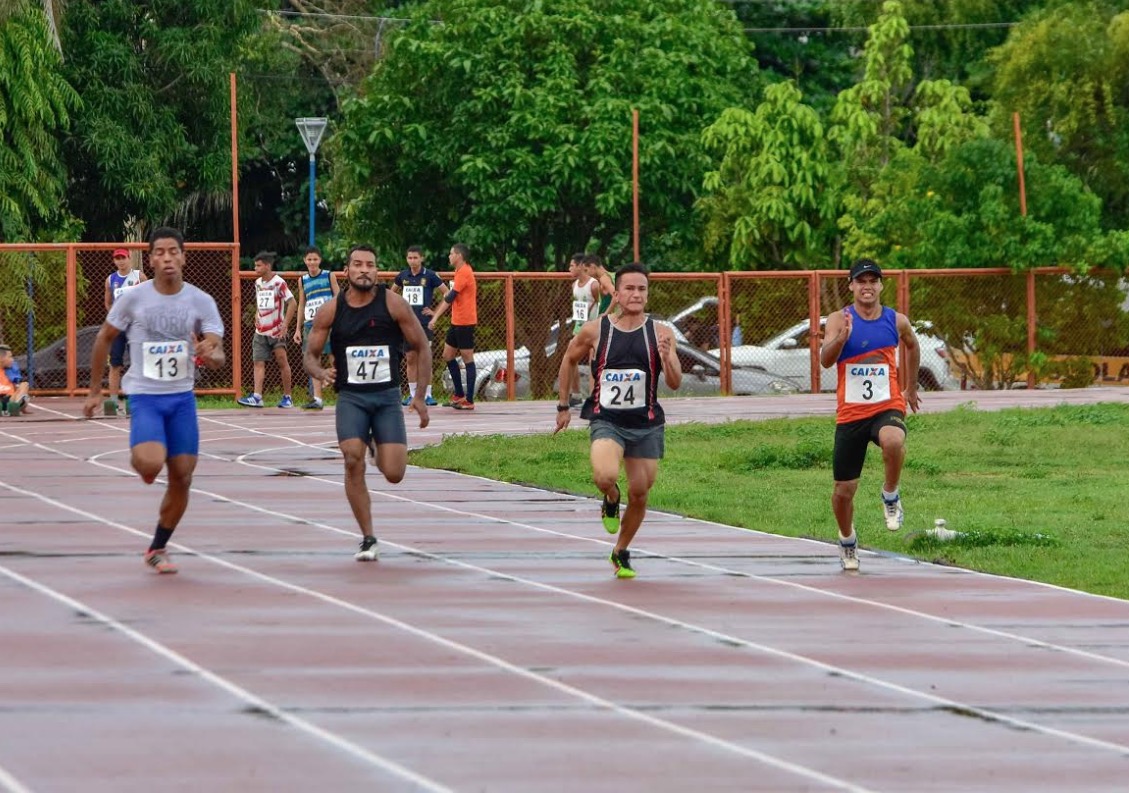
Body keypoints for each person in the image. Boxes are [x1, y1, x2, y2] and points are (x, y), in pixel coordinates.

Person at [83, 227, 225, 574]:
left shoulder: (200, 300)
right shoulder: (133, 298)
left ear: (183, 257)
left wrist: (210, 351)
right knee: (150, 464)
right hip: (145, 395)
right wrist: (95, 389)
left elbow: (218, 352)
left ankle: (157, 547)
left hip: (181, 399)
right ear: (150, 259)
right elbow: (104, 337)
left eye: (173, 251)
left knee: (183, 476)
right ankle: (144, 459)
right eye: (159, 252)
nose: (167, 258)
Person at [303, 244, 432, 561]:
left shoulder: (393, 303)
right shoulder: (331, 310)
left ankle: (376, 443)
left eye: (370, 265)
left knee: (394, 473)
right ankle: (368, 538)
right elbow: (309, 355)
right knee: (351, 459)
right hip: (352, 397)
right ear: (346, 271)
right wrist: (319, 371)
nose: (364, 270)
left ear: (377, 270)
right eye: (357, 265)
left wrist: (419, 396)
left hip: (386, 398)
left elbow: (422, 346)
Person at [555, 262, 682, 579]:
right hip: (607, 418)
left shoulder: (661, 333)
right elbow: (569, 359)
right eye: (630, 288)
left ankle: (621, 551)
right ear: (618, 291)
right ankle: (611, 498)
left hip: (646, 423)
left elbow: (676, 381)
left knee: (640, 492)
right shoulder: (596, 329)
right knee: (605, 475)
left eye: (642, 289)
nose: (636, 294)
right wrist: (562, 406)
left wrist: (667, 358)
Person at [819, 258, 921, 572]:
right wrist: (841, 338)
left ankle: (890, 494)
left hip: (885, 404)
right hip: (851, 415)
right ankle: (847, 539)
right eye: (861, 281)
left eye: (872, 281)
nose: (867, 286)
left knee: (893, 440)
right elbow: (825, 360)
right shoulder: (839, 319)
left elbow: (913, 345)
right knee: (843, 492)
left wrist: (910, 387)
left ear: (880, 285)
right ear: (851, 285)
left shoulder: (896, 320)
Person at [238, 251, 296, 408]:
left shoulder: (279, 283)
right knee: (258, 362)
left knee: (282, 360)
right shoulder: (257, 283)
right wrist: (257, 313)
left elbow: (292, 303)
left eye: (258, 265)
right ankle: (257, 396)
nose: (255, 268)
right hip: (260, 330)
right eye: (255, 265)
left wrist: (285, 324)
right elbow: (261, 302)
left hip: (277, 330)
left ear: (268, 266)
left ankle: (287, 397)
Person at [392, 245, 448, 407]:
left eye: (415, 257)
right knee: (410, 358)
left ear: (422, 258)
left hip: (424, 323)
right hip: (407, 323)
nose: (412, 261)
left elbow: (447, 294)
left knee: (425, 358)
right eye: (409, 258)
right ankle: (412, 394)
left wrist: (434, 312)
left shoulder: (430, 276)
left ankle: (427, 394)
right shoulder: (403, 276)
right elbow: (391, 293)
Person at [427, 243, 477, 410]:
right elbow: (451, 295)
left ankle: (468, 400)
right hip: (456, 321)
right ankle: (459, 394)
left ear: (459, 256)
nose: (449, 256)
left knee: (467, 358)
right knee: (448, 355)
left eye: (451, 253)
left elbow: (449, 298)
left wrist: (435, 316)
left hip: (465, 322)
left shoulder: (464, 272)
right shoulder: (458, 271)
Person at [292, 245, 340, 410]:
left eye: (315, 259)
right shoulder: (302, 280)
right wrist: (298, 328)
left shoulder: (329, 276)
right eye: (309, 259)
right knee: (313, 359)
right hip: (310, 324)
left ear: (320, 260)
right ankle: (317, 399)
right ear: (305, 261)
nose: (312, 262)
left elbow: (338, 297)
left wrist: (339, 318)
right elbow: (301, 304)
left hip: (329, 322)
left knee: (334, 357)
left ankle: (344, 394)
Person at [103, 248, 148, 416]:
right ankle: (113, 400)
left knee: (137, 363)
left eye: (123, 258)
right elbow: (107, 303)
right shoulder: (110, 280)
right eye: (117, 258)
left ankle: (134, 398)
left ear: (129, 259)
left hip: (135, 327)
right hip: (118, 328)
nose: (120, 261)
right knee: (115, 364)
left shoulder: (139, 277)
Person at [566, 252, 599, 407]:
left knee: (594, 360)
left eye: (572, 265)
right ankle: (576, 393)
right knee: (571, 357)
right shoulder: (574, 286)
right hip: (580, 327)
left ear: (580, 266)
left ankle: (594, 396)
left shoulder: (593, 285)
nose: (569, 268)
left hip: (593, 328)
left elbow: (601, 303)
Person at [0, 344, 30, 416]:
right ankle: (8, 409)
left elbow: (17, 387)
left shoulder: (11, 372)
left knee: (24, 384)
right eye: (10, 357)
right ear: (1, 358)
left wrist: (23, 407)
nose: (12, 360)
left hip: (10, 399)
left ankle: (12, 407)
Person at [585, 253, 617, 318]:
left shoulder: (604, 278)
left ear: (592, 266)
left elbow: (616, 296)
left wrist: (606, 313)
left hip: (608, 319)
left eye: (586, 270)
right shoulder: (612, 275)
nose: (587, 274)